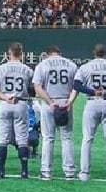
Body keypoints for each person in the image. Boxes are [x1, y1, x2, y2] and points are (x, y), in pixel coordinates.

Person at [74, 44, 106, 181]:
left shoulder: (85, 67)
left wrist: (92, 91)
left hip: (91, 103)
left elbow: (76, 85)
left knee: (87, 138)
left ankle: (84, 173)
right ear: (105, 53)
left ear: (94, 53)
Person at [33, 45, 78, 180]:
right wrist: (70, 102)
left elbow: (37, 87)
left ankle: (46, 171)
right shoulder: (71, 65)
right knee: (66, 138)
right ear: (59, 53)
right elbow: (76, 86)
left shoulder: (42, 65)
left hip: (49, 103)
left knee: (48, 138)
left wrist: (50, 102)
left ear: (47, 54)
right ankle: (69, 171)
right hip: (65, 103)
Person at [0, 42, 34, 179]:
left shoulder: (0, 68)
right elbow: (32, 89)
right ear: (21, 54)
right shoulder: (27, 70)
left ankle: (1, 171)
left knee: (2, 139)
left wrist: (5, 97)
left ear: (8, 54)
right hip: (21, 103)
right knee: (22, 139)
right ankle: (24, 171)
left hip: (5, 103)